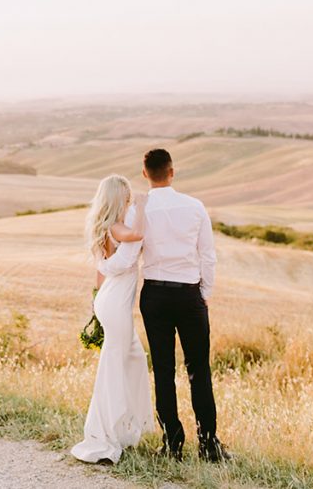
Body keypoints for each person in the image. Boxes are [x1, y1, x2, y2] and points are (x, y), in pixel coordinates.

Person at [99, 148, 230, 462]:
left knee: (163, 370)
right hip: (189, 295)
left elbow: (129, 257)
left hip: (155, 296)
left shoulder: (136, 213)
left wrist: (102, 266)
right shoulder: (195, 207)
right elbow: (208, 255)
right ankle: (209, 444)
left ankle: (172, 444)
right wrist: (204, 293)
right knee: (199, 369)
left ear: (145, 174)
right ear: (173, 171)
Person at [70, 175, 154, 464]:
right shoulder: (117, 227)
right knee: (115, 364)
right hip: (116, 303)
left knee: (131, 358)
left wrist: (95, 301)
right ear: (120, 199)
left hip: (109, 298)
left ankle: (121, 427)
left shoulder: (103, 227)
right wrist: (142, 207)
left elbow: (99, 271)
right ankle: (104, 435)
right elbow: (138, 234)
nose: (131, 202)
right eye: (128, 199)